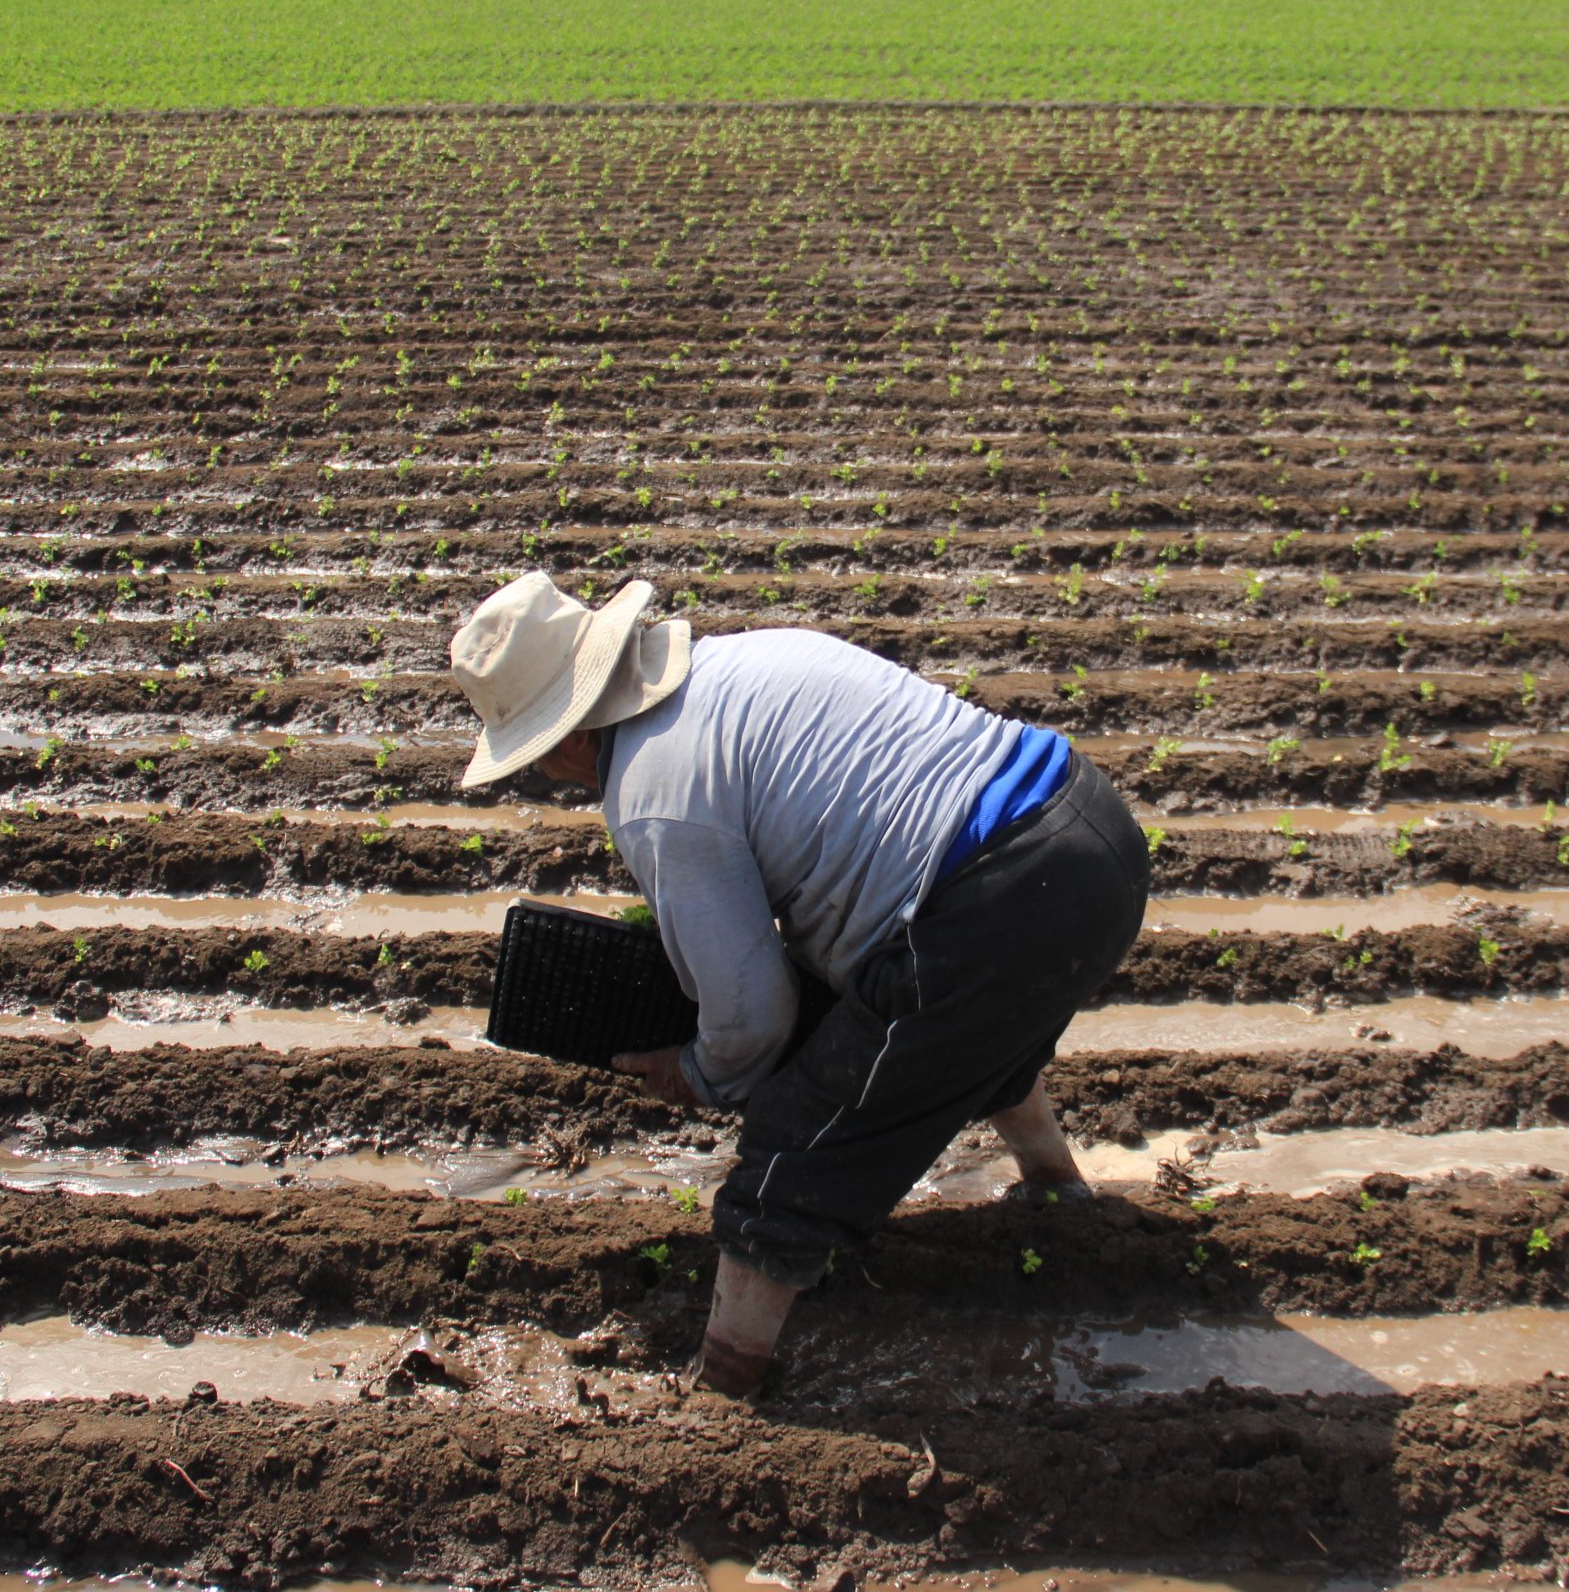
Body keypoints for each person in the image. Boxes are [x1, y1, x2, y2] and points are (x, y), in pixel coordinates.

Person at [451, 572, 1151, 1398]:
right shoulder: (740, 662)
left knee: (794, 1142)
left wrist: (698, 1072)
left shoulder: (653, 790)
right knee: (947, 1036)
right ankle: (1058, 1188)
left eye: (534, 760)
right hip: (1092, 832)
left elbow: (754, 1015)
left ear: (564, 738)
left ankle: (724, 1387)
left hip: (995, 900)